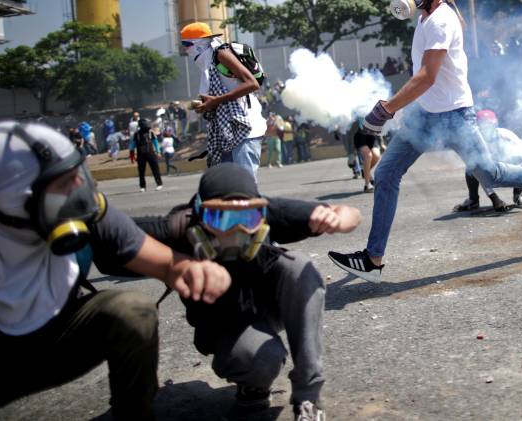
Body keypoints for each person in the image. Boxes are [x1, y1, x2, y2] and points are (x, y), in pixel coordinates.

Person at [329, 0, 522, 284]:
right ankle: (373, 259)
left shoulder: (442, 20)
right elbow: (425, 81)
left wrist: (388, 108)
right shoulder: (425, 18)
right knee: (385, 174)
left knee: (491, 173)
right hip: (426, 115)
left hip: (456, 115)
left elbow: (427, 76)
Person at [0, 121, 231, 420]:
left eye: (77, 174)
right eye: (62, 184)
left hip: (54, 341)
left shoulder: (83, 212)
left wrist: (193, 266)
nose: (79, 189)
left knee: (132, 311)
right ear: (9, 204)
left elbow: (165, 262)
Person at [131, 163, 360, 420]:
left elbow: (350, 213)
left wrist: (335, 218)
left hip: (267, 305)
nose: (235, 231)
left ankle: (308, 396)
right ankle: (253, 384)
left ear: (258, 211)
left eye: (246, 219)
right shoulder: (176, 228)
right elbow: (109, 238)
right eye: (220, 218)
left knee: (299, 266)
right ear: (199, 214)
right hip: (223, 325)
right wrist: (173, 263)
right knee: (262, 359)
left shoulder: (267, 212)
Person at [181, 22, 267, 180]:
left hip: (245, 128)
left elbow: (252, 83)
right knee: (226, 188)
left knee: (244, 187)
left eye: (186, 44)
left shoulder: (221, 54)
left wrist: (216, 101)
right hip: (227, 132)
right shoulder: (209, 61)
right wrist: (208, 106)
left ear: (199, 44)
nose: (185, 49)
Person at [453, 109, 522, 212]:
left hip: (508, 165)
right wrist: (494, 198)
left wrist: (516, 172)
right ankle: (473, 200)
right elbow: (480, 172)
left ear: (495, 125)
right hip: (491, 170)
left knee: (519, 158)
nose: (487, 129)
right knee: (471, 166)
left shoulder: (506, 135)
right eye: (483, 127)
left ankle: (518, 195)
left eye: (489, 126)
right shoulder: (476, 143)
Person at [130, 119, 164, 192]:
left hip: (151, 153)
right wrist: (132, 155)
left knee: (155, 169)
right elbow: (132, 145)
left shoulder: (150, 132)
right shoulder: (137, 134)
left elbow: (155, 142)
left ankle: (159, 184)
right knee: (141, 171)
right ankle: (142, 187)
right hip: (140, 155)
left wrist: (158, 151)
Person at [353, 116, 381, 192]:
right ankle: (367, 185)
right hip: (360, 135)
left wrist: (382, 142)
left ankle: (365, 172)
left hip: (372, 135)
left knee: (377, 156)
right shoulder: (355, 107)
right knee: (368, 156)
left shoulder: (373, 105)